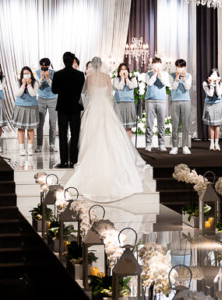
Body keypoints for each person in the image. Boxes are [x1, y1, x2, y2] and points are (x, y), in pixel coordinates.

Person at [68, 57, 149, 201]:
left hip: (94, 107)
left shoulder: (89, 78)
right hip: (105, 106)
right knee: (110, 132)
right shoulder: (106, 77)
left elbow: (89, 93)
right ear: (101, 65)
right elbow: (110, 92)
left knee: (92, 134)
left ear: (92, 66)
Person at [51, 52, 85, 169]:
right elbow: (82, 89)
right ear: (73, 61)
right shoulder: (80, 74)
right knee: (75, 135)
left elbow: (54, 90)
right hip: (75, 107)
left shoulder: (58, 74)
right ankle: (74, 161)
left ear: (63, 61)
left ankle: (64, 161)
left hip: (62, 108)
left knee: (62, 135)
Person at [11, 67, 38, 157]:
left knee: (30, 128)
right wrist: (23, 85)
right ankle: (21, 149)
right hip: (20, 107)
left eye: (28, 73)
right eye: (24, 73)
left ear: (31, 74)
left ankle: (29, 149)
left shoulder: (35, 82)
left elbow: (33, 94)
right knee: (21, 128)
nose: (26, 75)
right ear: (22, 75)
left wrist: (29, 85)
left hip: (32, 107)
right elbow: (18, 94)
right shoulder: (18, 82)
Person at [143, 57, 170, 150]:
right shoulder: (148, 74)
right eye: (154, 64)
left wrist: (160, 74)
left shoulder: (165, 74)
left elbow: (165, 83)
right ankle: (148, 144)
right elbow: (149, 83)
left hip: (162, 100)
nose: (156, 66)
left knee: (161, 123)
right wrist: (155, 74)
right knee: (149, 123)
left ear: (161, 65)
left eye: (158, 64)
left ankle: (161, 144)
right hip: (150, 100)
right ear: (152, 65)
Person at [169, 58, 192, 156]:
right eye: (178, 66)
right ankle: (174, 146)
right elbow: (173, 87)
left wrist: (184, 78)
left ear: (185, 67)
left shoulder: (189, 75)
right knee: (175, 124)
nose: (180, 68)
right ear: (176, 67)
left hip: (186, 101)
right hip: (175, 101)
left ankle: (185, 146)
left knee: (185, 125)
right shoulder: (172, 75)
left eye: (182, 66)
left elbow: (187, 87)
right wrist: (177, 77)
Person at [36, 58, 57, 157]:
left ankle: (52, 144)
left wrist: (48, 78)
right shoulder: (37, 73)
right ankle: (39, 145)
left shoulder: (54, 73)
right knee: (40, 123)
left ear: (49, 66)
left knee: (53, 123)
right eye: (42, 66)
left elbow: (55, 87)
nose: (44, 68)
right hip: (41, 99)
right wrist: (42, 78)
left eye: (46, 66)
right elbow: (38, 86)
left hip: (53, 99)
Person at [201, 69, 222, 151]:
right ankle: (211, 144)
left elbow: (218, 93)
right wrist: (211, 84)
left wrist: (217, 83)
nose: (214, 76)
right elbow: (210, 94)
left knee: (217, 125)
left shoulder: (220, 83)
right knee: (211, 124)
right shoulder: (205, 83)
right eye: (212, 74)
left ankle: (217, 143)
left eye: (216, 75)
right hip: (209, 105)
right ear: (209, 76)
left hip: (218, 104)